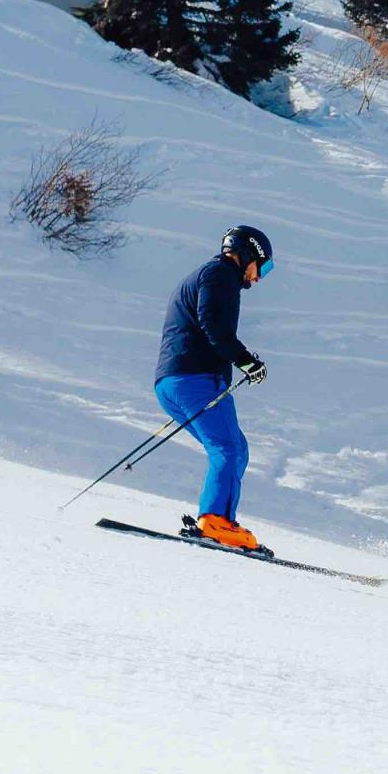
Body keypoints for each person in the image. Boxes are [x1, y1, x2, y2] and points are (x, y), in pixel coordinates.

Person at [154, 226, 275, 551]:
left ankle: (224, 521)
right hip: (195, 379)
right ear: (249, 255)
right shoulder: (220, 274)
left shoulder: (210, 275)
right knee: (227, 448)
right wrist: (247, 361)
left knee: (237, 446)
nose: (259, 277)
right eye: (263, 267)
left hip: (176, 382)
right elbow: (212, 324)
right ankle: (215, 521)